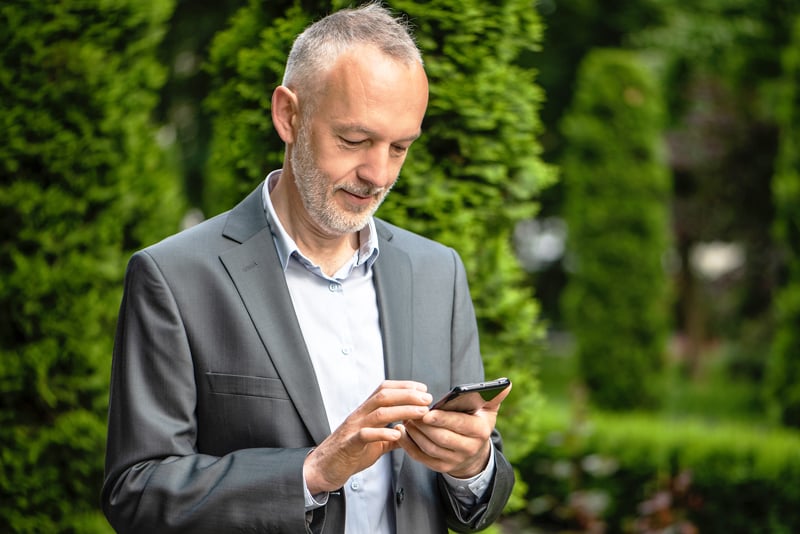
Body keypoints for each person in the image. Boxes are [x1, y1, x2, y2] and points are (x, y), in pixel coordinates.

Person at [101, 3, 514, 533]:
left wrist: (470, 467)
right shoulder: (174, 277)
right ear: (289, 115)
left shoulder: (438, 271)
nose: (377, 174)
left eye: (400, 148)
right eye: (355, 140)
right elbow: (135, 492)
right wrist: (313, 472)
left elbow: (485, 490)